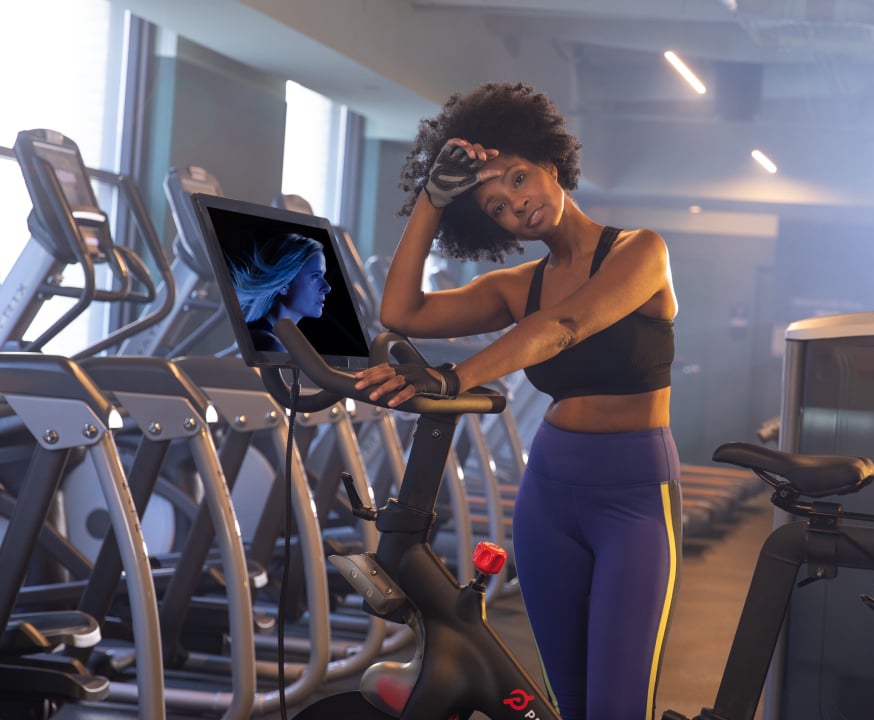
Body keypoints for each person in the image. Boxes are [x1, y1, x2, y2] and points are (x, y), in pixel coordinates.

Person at [354, 81, 682, 720]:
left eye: (519, 180)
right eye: (496, 205)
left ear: (551, 167)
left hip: (635, 494)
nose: (517, 205)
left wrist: (454, 378)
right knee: (566, 700)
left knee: (617, 707)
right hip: (551, 491)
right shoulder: (516, 285)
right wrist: (430, 199)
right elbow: (401, 311)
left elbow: (564, 327)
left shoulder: (641, 251)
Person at [228, 232, 332, 352]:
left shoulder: (279, 342)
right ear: (284, 285)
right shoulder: (269, 344)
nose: (327, 287)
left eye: (322, 275)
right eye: (315, 276)